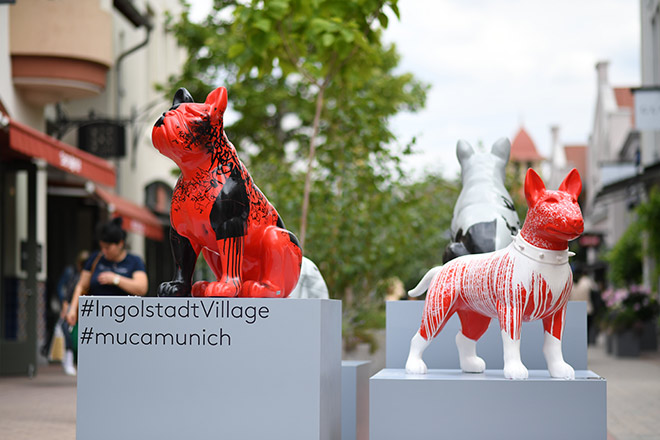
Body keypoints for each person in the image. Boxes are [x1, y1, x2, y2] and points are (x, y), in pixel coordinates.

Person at [66, 217, 148, 327]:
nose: (104, 251)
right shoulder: (96, 258)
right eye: (102, 247)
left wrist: (116, 280)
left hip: (126, 321)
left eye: (108, 248)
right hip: (96, 319)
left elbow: (142, 288)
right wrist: (73, 309)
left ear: (120, 244)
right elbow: (81, 286)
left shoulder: (134, 261)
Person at [57, 250, 89, 375]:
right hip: (75, 316)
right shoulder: (76, 279)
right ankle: (69, 362)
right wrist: (66, 312)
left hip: (82, 314)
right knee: (70, 339)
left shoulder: (84, 278)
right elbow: (67, 297)